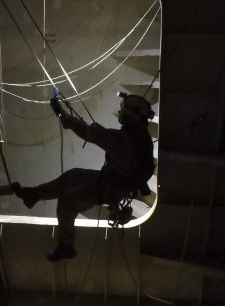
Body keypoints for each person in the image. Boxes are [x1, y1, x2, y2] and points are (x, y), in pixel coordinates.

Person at [12, 92, 155, 262]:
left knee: (67, 205)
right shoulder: (141, 139)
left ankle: (65, 246)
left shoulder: (121, 140)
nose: (120, 113)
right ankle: (34, 194)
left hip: (107, 188)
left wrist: (60, 113)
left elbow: (86, 132)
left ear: (130, 116)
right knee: (74, 175)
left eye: (123, 111)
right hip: (113, 183)